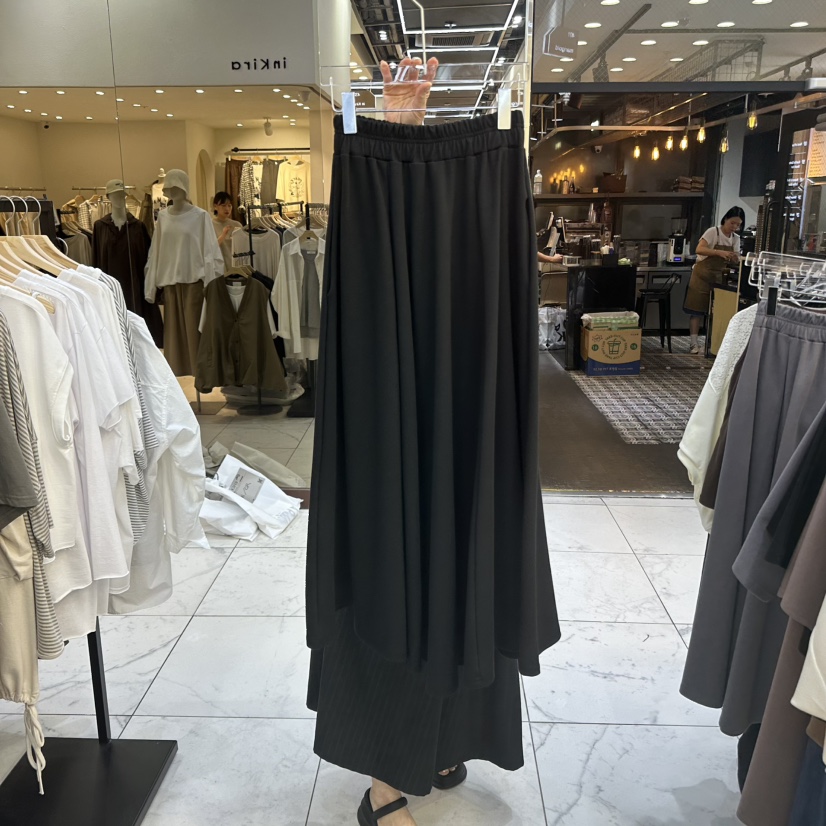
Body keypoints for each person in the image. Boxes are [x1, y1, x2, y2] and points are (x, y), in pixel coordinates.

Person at [306, 56, 561, 826]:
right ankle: (384, 782)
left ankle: (448, 735)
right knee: (395, 518)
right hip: (390, 199)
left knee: (466, 511)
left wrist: (409, 136)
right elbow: (392, 212)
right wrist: (398, 132)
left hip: (479, 204)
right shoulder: (375, 181)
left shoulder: (496, 173)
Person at [684, 206, 745, 354]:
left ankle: (713, 344)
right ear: (725, 219)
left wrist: (735, 258)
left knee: (716, 312)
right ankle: (693, 343)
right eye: (732, 223)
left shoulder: (736, 238)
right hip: (701, 277)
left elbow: (736, 258)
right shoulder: (713, 232)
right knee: (697, 310)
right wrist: (718, 252)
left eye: (738, 225)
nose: (734, 227)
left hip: (719, 278)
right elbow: (699, 249)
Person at [211, 191, 241, 273]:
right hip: (219, 269)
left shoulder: (237, 225)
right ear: (215, 206)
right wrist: (223, 235)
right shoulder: (210, 225)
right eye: (223, 205)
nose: (227, 209)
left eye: (229, 205)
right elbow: (209, 249)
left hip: (237, 267)